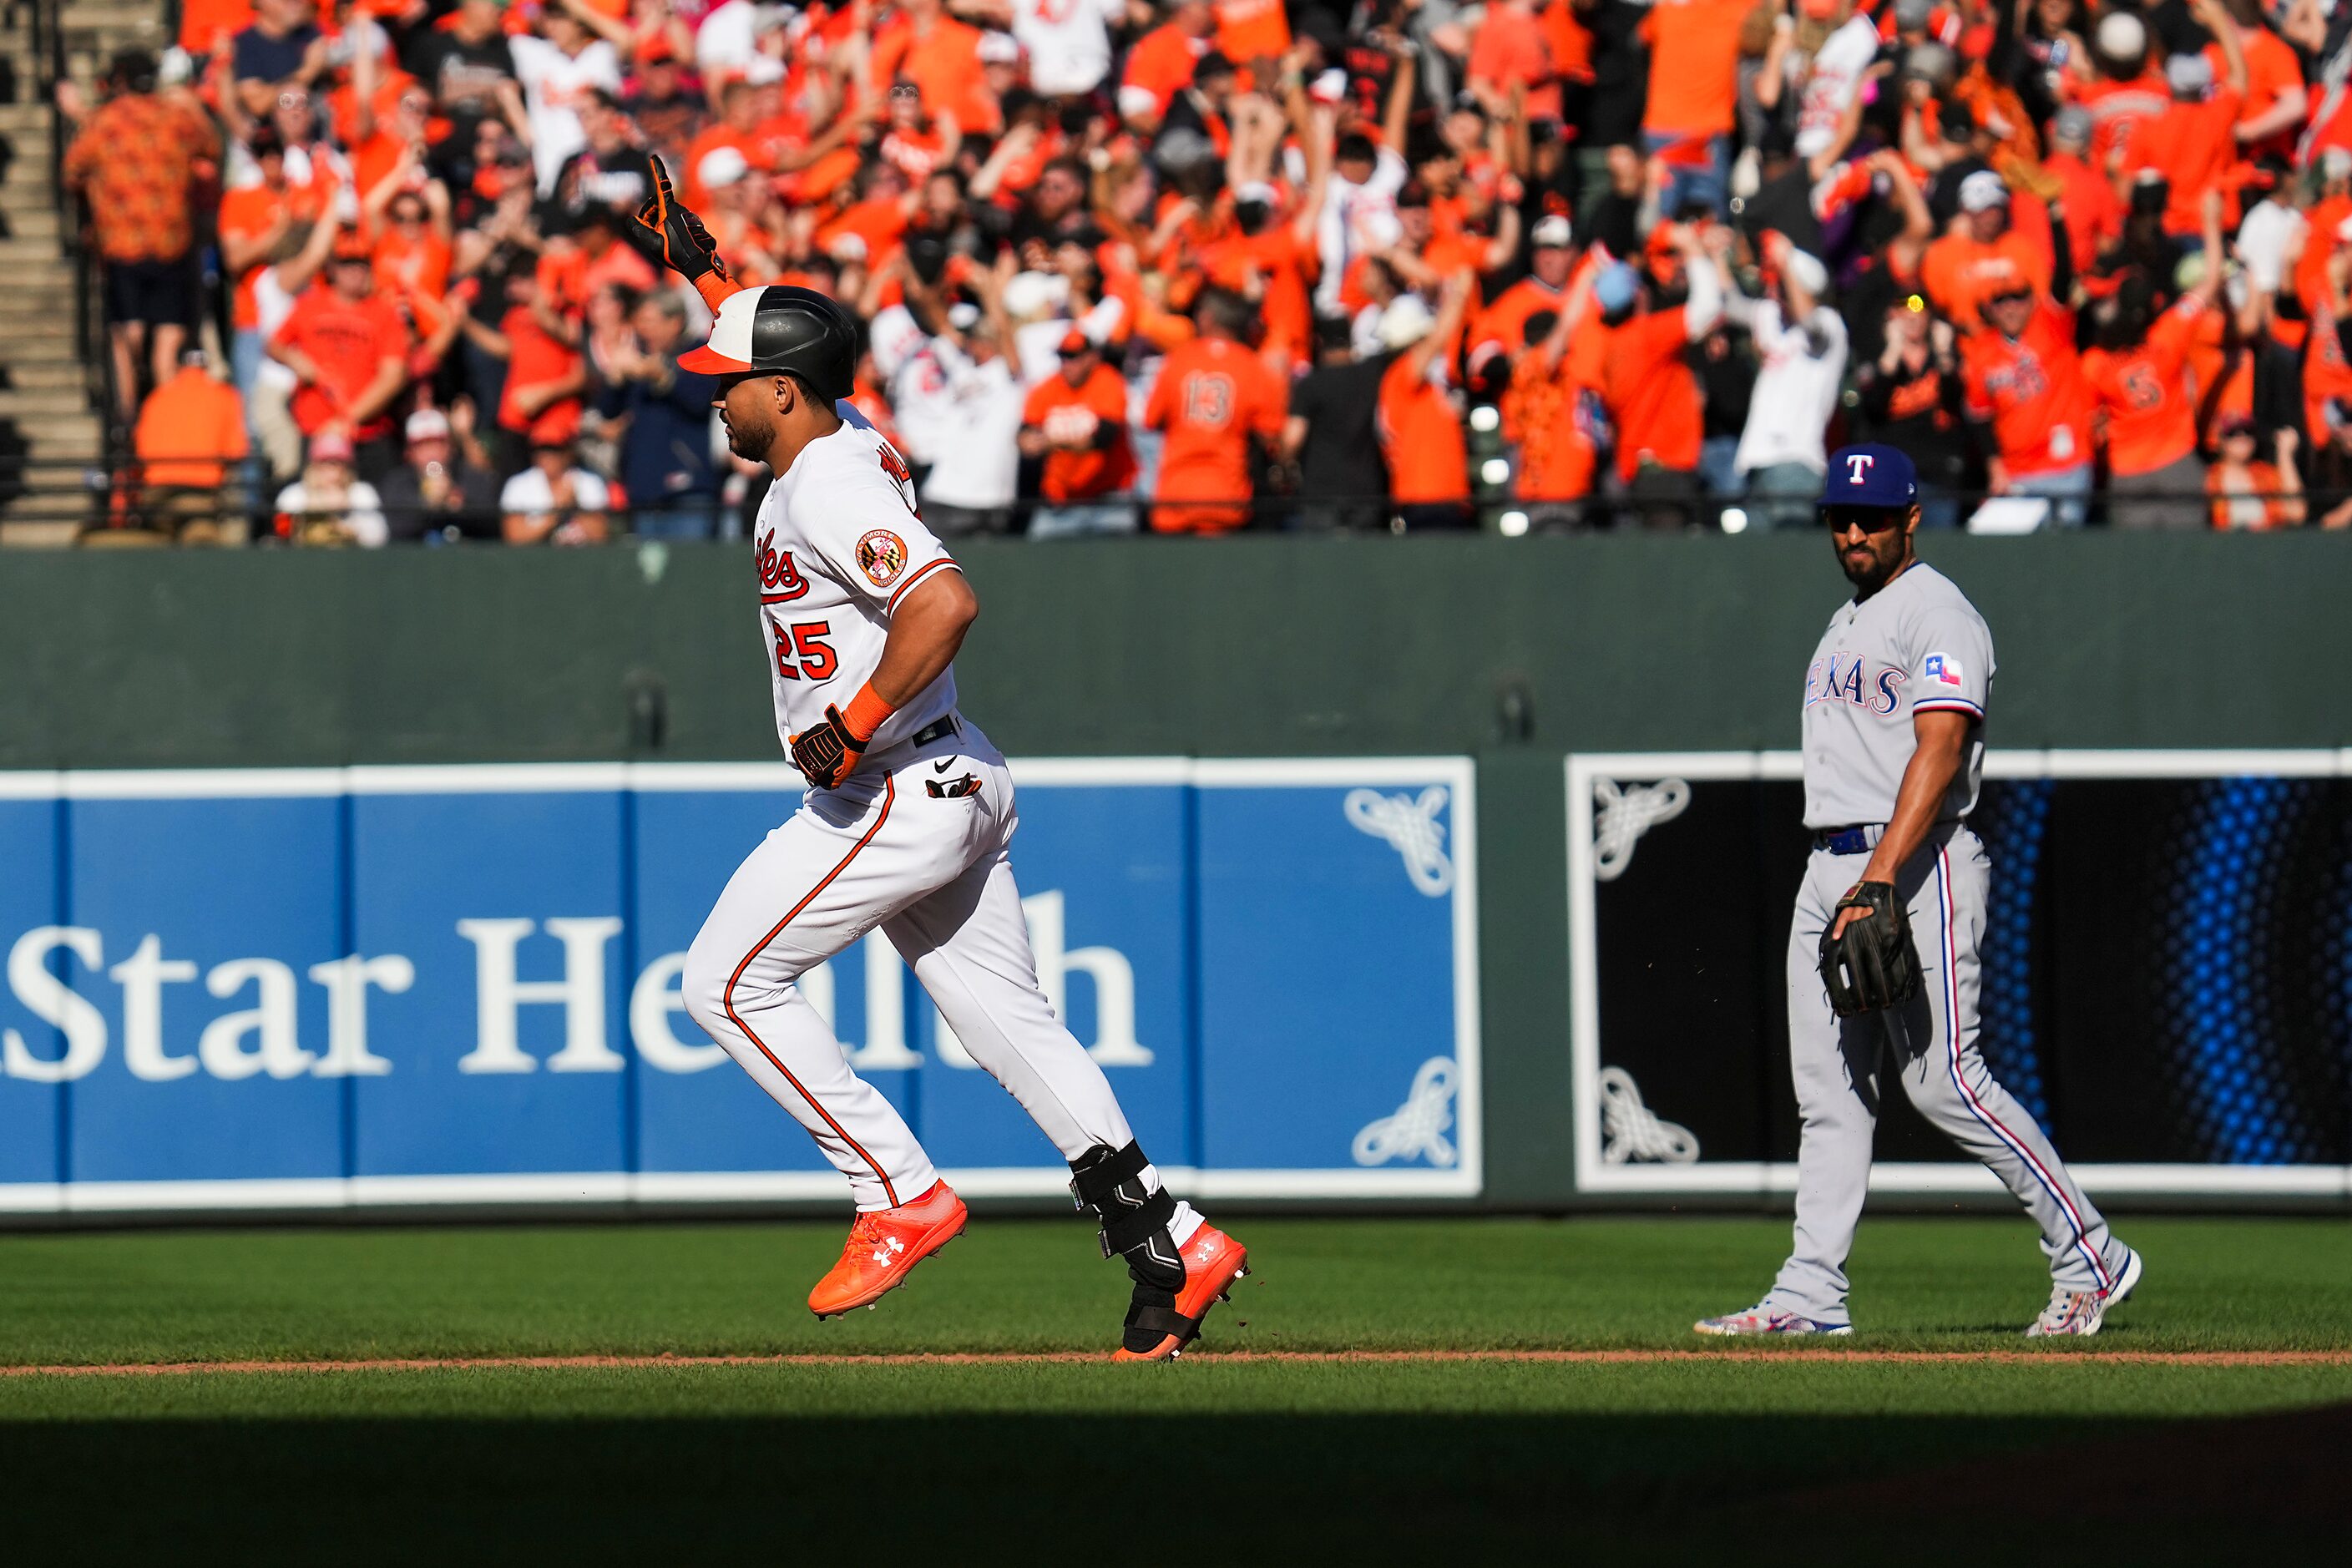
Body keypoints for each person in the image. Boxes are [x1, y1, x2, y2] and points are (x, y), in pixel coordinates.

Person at [621, 160, 1247, 1359]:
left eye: (727, 384)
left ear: (785, 397)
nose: (714, 398)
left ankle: (895, 1189)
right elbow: (775, 334)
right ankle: (1167, 1237)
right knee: (1012, 1027)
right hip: (954, 773)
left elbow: (946, 602)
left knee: (723, 983)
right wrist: (704, 264)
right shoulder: (833, 429)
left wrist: (850, 722)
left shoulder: (827, 479)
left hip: (888, 783)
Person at [1697, 443, 2142, 1339]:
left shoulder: (1939, 613)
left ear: (1911, 518)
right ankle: (1809, 1293)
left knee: (1947, 1085)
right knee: (1828, 1094)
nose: (1853, 530)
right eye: (1839, 517)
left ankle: (2091, 1255)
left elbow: (1938, 754)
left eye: (1870, 515)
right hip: (1833, 861)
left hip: (1913, 863)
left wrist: (1878, 879)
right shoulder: (1845, 620)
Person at [62, 49, 219, 420]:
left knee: (125, 336)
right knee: (167, 343)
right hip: (172, 242)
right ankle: (163, 427)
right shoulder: (176, 117)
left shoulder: (106, 121)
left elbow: (72, 170)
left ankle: (127, 424)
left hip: (123, 245)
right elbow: (211, 146)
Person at [1141, 286, 1288, 533]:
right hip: (1226, 495)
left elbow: (1151, 419)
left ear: (1206, 318)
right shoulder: (1253, 366)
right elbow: (1272, 436)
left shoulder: (1178, 359)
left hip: (1175, 495)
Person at [1726, 241, 1847, 528]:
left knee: (1789, 558)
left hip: (1797, 461)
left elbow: (1808, 317)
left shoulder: (1829, 324)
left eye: (1779, 285)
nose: (1773, 292)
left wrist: (1787, 264)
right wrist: (1717, 257)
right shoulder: (1774, 318)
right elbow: (1730, 306)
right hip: (1756, 461)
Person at [594, 291, 725, 538]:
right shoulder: (639, 355)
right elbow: (607, 412)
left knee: (689, 569)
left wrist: (662, 377)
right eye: (640, 322)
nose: (643, 330)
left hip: (689, 488)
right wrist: (615, 378)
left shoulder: (699, 352)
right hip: (644, 489)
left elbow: (700, 401)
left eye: (649, 322)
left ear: (674, 322)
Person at [1019, 329, 1136, 537]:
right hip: (1061, 501)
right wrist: (1028, 442)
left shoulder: (1108, 381)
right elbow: (1024, 434)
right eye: (1063, 356)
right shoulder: (1047, 388)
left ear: (1093, 357)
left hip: (1108, 499)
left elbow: (1103, 437)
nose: (1067, 363)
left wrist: (1050, 442)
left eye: (1074, 356)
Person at [1285, 315, 1393, 531]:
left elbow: (1292, 439)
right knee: (1363, 562)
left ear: (1318, 342)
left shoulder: (1311, 384)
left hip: (1322, 493)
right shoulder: (1371, 375)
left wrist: (1284, 464)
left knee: (1323, 563)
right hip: (1367, 492)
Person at [132, 352, 251, 544]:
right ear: (207, 367)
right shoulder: (225, 396)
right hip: (201, 493)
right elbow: (237, 451)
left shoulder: (157, 397)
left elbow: (141, 452)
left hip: (157, 494)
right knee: (205, 536)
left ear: (178, 366)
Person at [378, 406, 502, 542]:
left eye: (438, 443)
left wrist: (460, 505)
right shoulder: (396, 483)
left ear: (451, 446)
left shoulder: (472, 478)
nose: (432, 453)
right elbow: (395, 529)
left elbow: (493, 525)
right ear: (409, 452)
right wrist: (427, 505)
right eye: (422, 445)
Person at [273, 426, 388, 546]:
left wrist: (348, 527)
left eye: (339, 463)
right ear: (313, 467)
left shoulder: (361, 492)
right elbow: (281, 533)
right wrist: (312, 512)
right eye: (325, 463)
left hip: (352, 561)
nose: (333, 472)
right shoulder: (294, 494)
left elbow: (378, 537)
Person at [499, 438, 612, 545]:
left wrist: (574, 506)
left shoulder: (589, 482)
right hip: (534, 558)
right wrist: (556, 511)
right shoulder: (519, 484)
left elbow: (600, 535)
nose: (547, 457)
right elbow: (514, 538)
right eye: (542, 451)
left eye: (554, 451)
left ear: (568, 453)